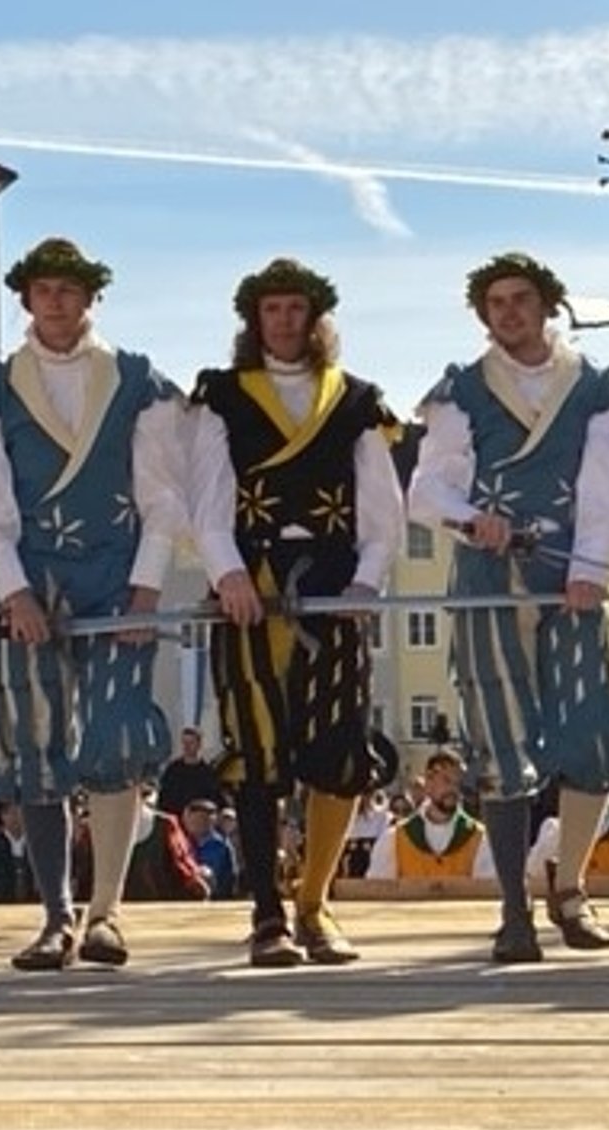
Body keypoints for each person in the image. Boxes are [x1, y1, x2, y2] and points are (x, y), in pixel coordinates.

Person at [0, 236, 190, 970]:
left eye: (70, 289)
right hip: (32, 581)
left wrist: (149, 579)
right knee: (35, 741)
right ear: (26, 298)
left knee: (117, 737)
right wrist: (14, 586)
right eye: (44, 289)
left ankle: (107, 913)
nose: (56, 301)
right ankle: (55, 913)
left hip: (119, 577)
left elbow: (162, 490)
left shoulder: (135, 381)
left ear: (92, 298)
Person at [408, 252, 609, 962]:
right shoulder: (461, 391)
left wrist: (592, 568)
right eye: (496, 303)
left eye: (521, 299)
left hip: (569, 578)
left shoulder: (593, 387)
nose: (509, 312)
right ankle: (514, 910)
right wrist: (475, 518)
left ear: (547, 305)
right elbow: (427, 490)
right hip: (487, 580)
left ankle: (569, 888)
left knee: (594, 736)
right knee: (503, 747)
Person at [191, 257, 402, 966]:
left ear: (316, 321)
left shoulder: (357, 401)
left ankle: (315, 904)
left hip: (335, 587)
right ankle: (265, 914)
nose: (284, 321)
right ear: (255, 321)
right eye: (272, 310)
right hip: (251, 590)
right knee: (256, 754)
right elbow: (209, 498)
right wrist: (225, 574)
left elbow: (383, 510)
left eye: (296, 310)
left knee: (339, 750)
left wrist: (366, 584)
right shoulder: (222, 397)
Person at [365, 750, 492, 881]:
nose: (453, 789)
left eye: (457, 783)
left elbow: (487, 892)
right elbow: (378, 891)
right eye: (446, 780)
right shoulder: (395, 840)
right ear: (428, 782)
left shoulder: (479, 839)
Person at [156, 726, 226, 817]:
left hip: (199, 822)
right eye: (184, 742)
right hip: (176, 821)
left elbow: (215, 800)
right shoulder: (173, 770)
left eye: (191, 742)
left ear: (199, 744)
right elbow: (163, 799)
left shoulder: (207, 773)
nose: (186, 746)